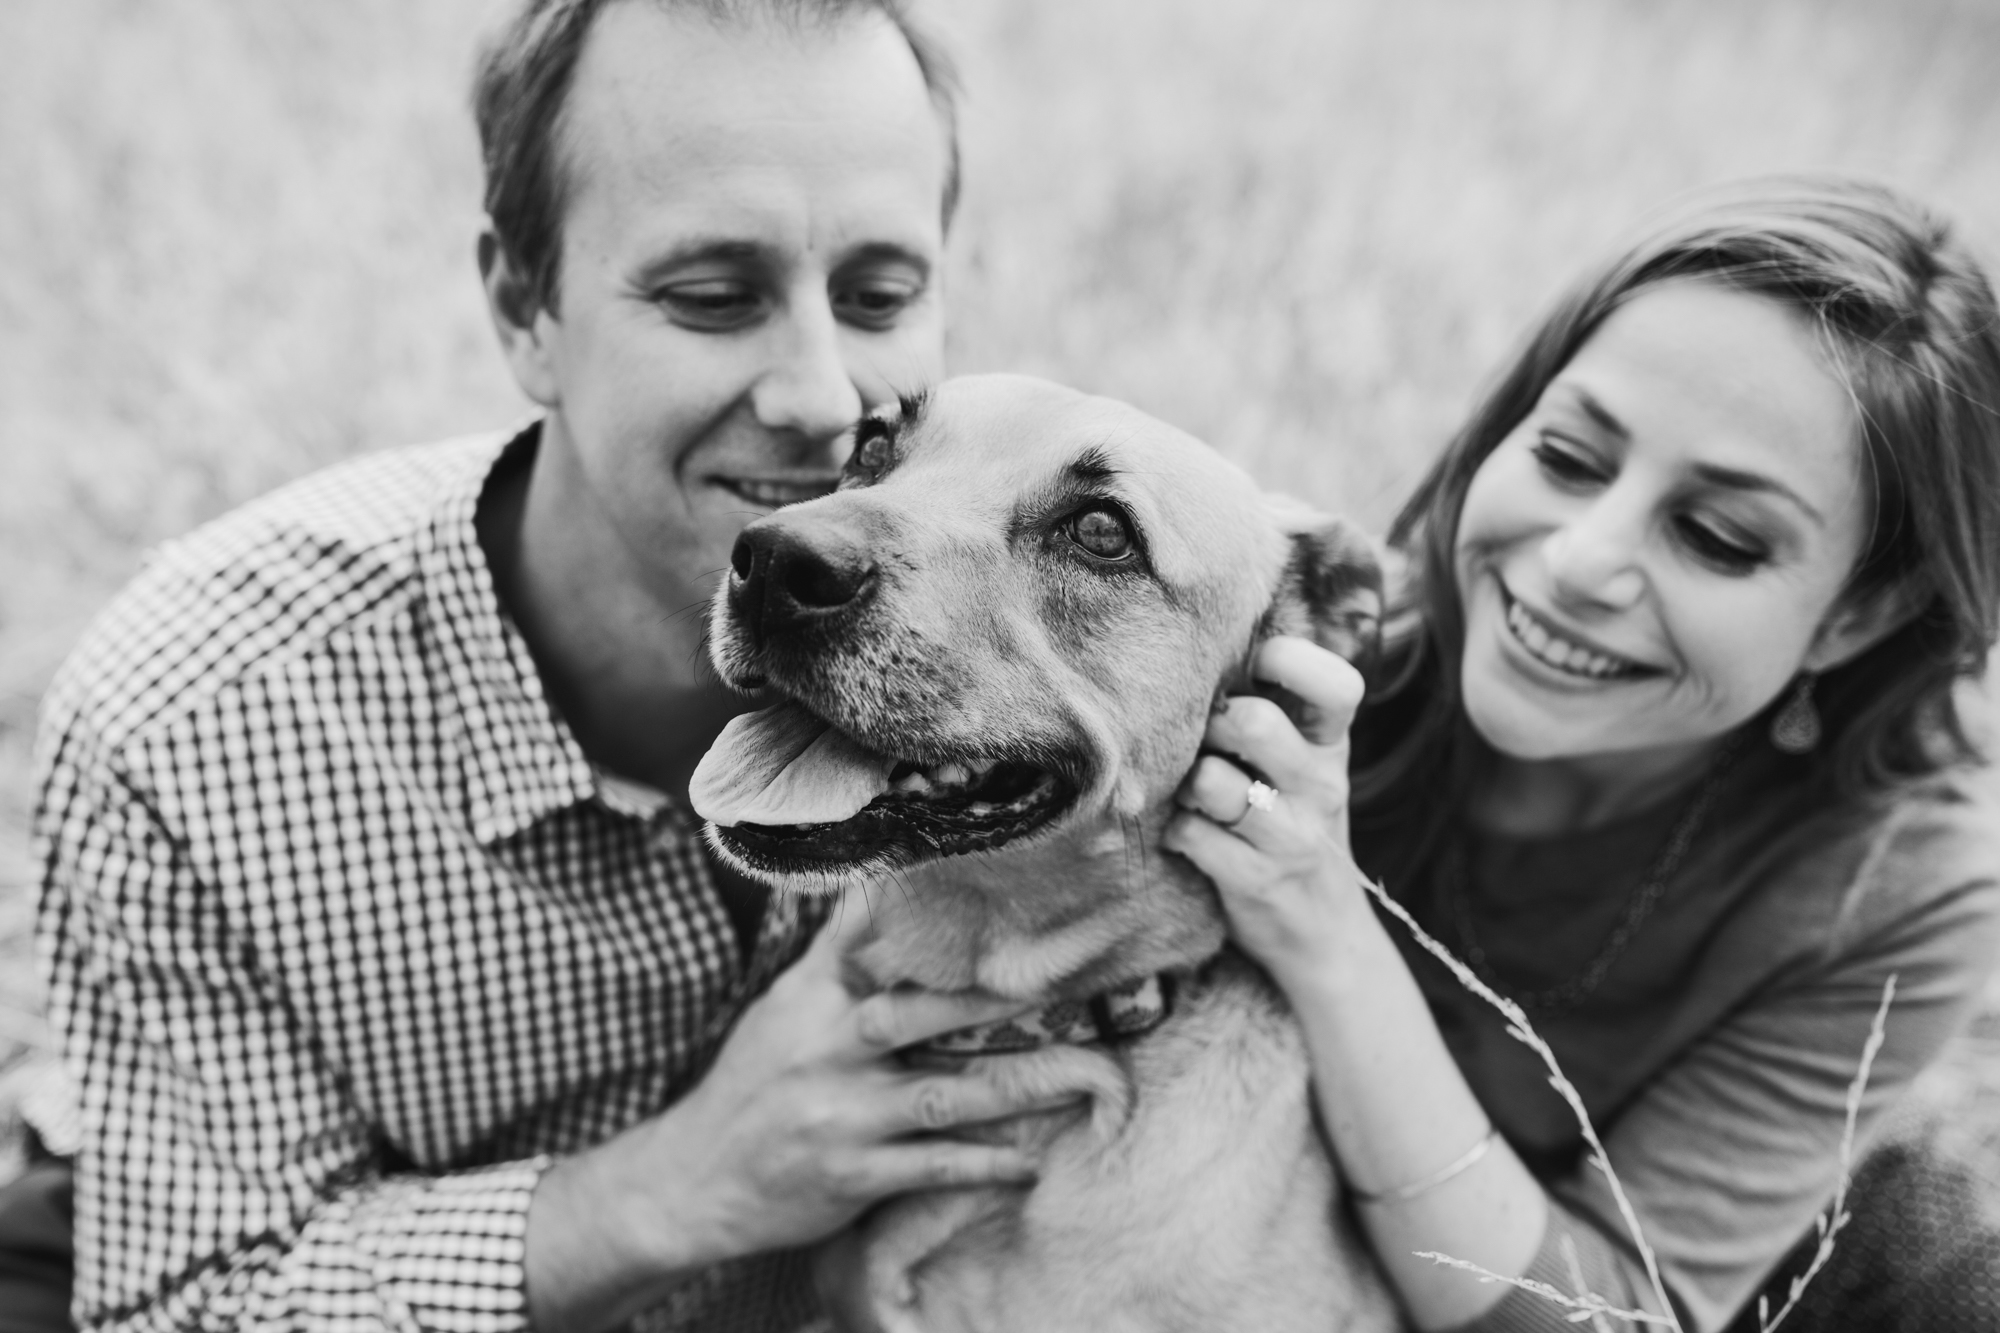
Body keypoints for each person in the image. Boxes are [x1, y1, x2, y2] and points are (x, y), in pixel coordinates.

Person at [22, 2, 1072, 1330]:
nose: (820, 394)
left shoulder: (1031, 669)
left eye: (877, 297)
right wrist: (676, 1188)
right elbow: (186, 1299)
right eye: (711, 298)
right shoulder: (194, 714)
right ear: (526, 307)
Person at [1168, 176, 2000, 1333]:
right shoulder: (1304, 659)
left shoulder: (1909, 885)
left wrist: (1321, 923)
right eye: (1565, 455)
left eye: (1715, 536)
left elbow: (1589, 1319)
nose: (1575, 560)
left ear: (1854, 617)